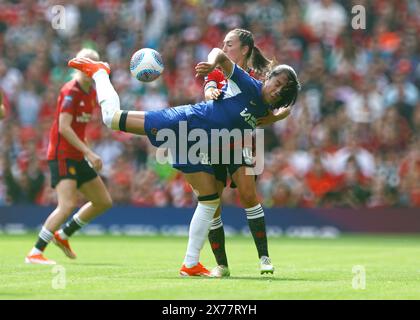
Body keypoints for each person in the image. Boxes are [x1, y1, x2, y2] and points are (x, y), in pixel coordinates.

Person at [67, 47, 300, 276]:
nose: (277, 90)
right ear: (267, 78)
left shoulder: (263, 108)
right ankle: (99, 72)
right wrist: (211, 64)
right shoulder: (249, 85)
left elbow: (256, 120)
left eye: (282, 90)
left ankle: (190, 264)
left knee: (209, 201)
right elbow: (220, 54)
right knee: (112, 119)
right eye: (276, 83)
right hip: (185, 123)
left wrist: (279, 115)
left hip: (193, 144)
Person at [203, 28, 290, 277]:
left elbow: (264, 115)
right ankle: (222, 265)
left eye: (229, 44)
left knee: (249, 196)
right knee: (212, 205)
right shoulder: (218, 72)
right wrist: (212, 94)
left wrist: (277, 116)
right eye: (223, 43)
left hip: (239, 144)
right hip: (210, 144)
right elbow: (208, 90)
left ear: (244, 49)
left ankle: (264, 258)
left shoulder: (257, 78)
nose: (224, 47)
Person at [25, 49, 113, 265]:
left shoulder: (91, 92)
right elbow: (64, 127)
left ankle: (63, 235)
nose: (89, 68)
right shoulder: (71, 91)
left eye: (93, 63)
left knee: (103, 201)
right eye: (86, 63)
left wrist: (87, 151)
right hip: (62, 154)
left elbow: (79, 128)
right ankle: (35, 252)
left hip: (77, 154)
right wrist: (89, 152)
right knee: (66, 205)